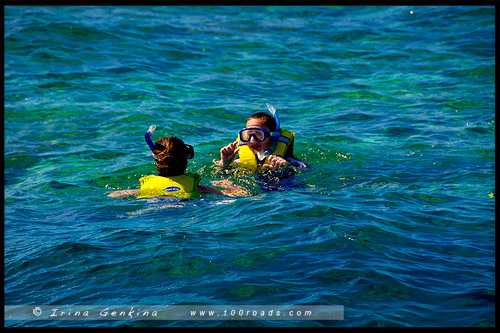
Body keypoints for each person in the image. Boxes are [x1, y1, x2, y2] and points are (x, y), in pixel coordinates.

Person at [108, 126, 247, 199]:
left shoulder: (147, 186)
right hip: (185, 208)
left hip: (153, 208)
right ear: (185, 162)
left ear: (157, 162)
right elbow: (227, 195)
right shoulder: (198, 187)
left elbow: (115, 195)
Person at [219, 104, 307, 172]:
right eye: (249, 134)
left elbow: (306, 171)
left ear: (272, 137)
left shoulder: (290, 163)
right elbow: (219, 176)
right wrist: (225, 164)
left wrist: (284, 169)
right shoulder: (238, 162)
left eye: (259, 134)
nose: (252, 140)